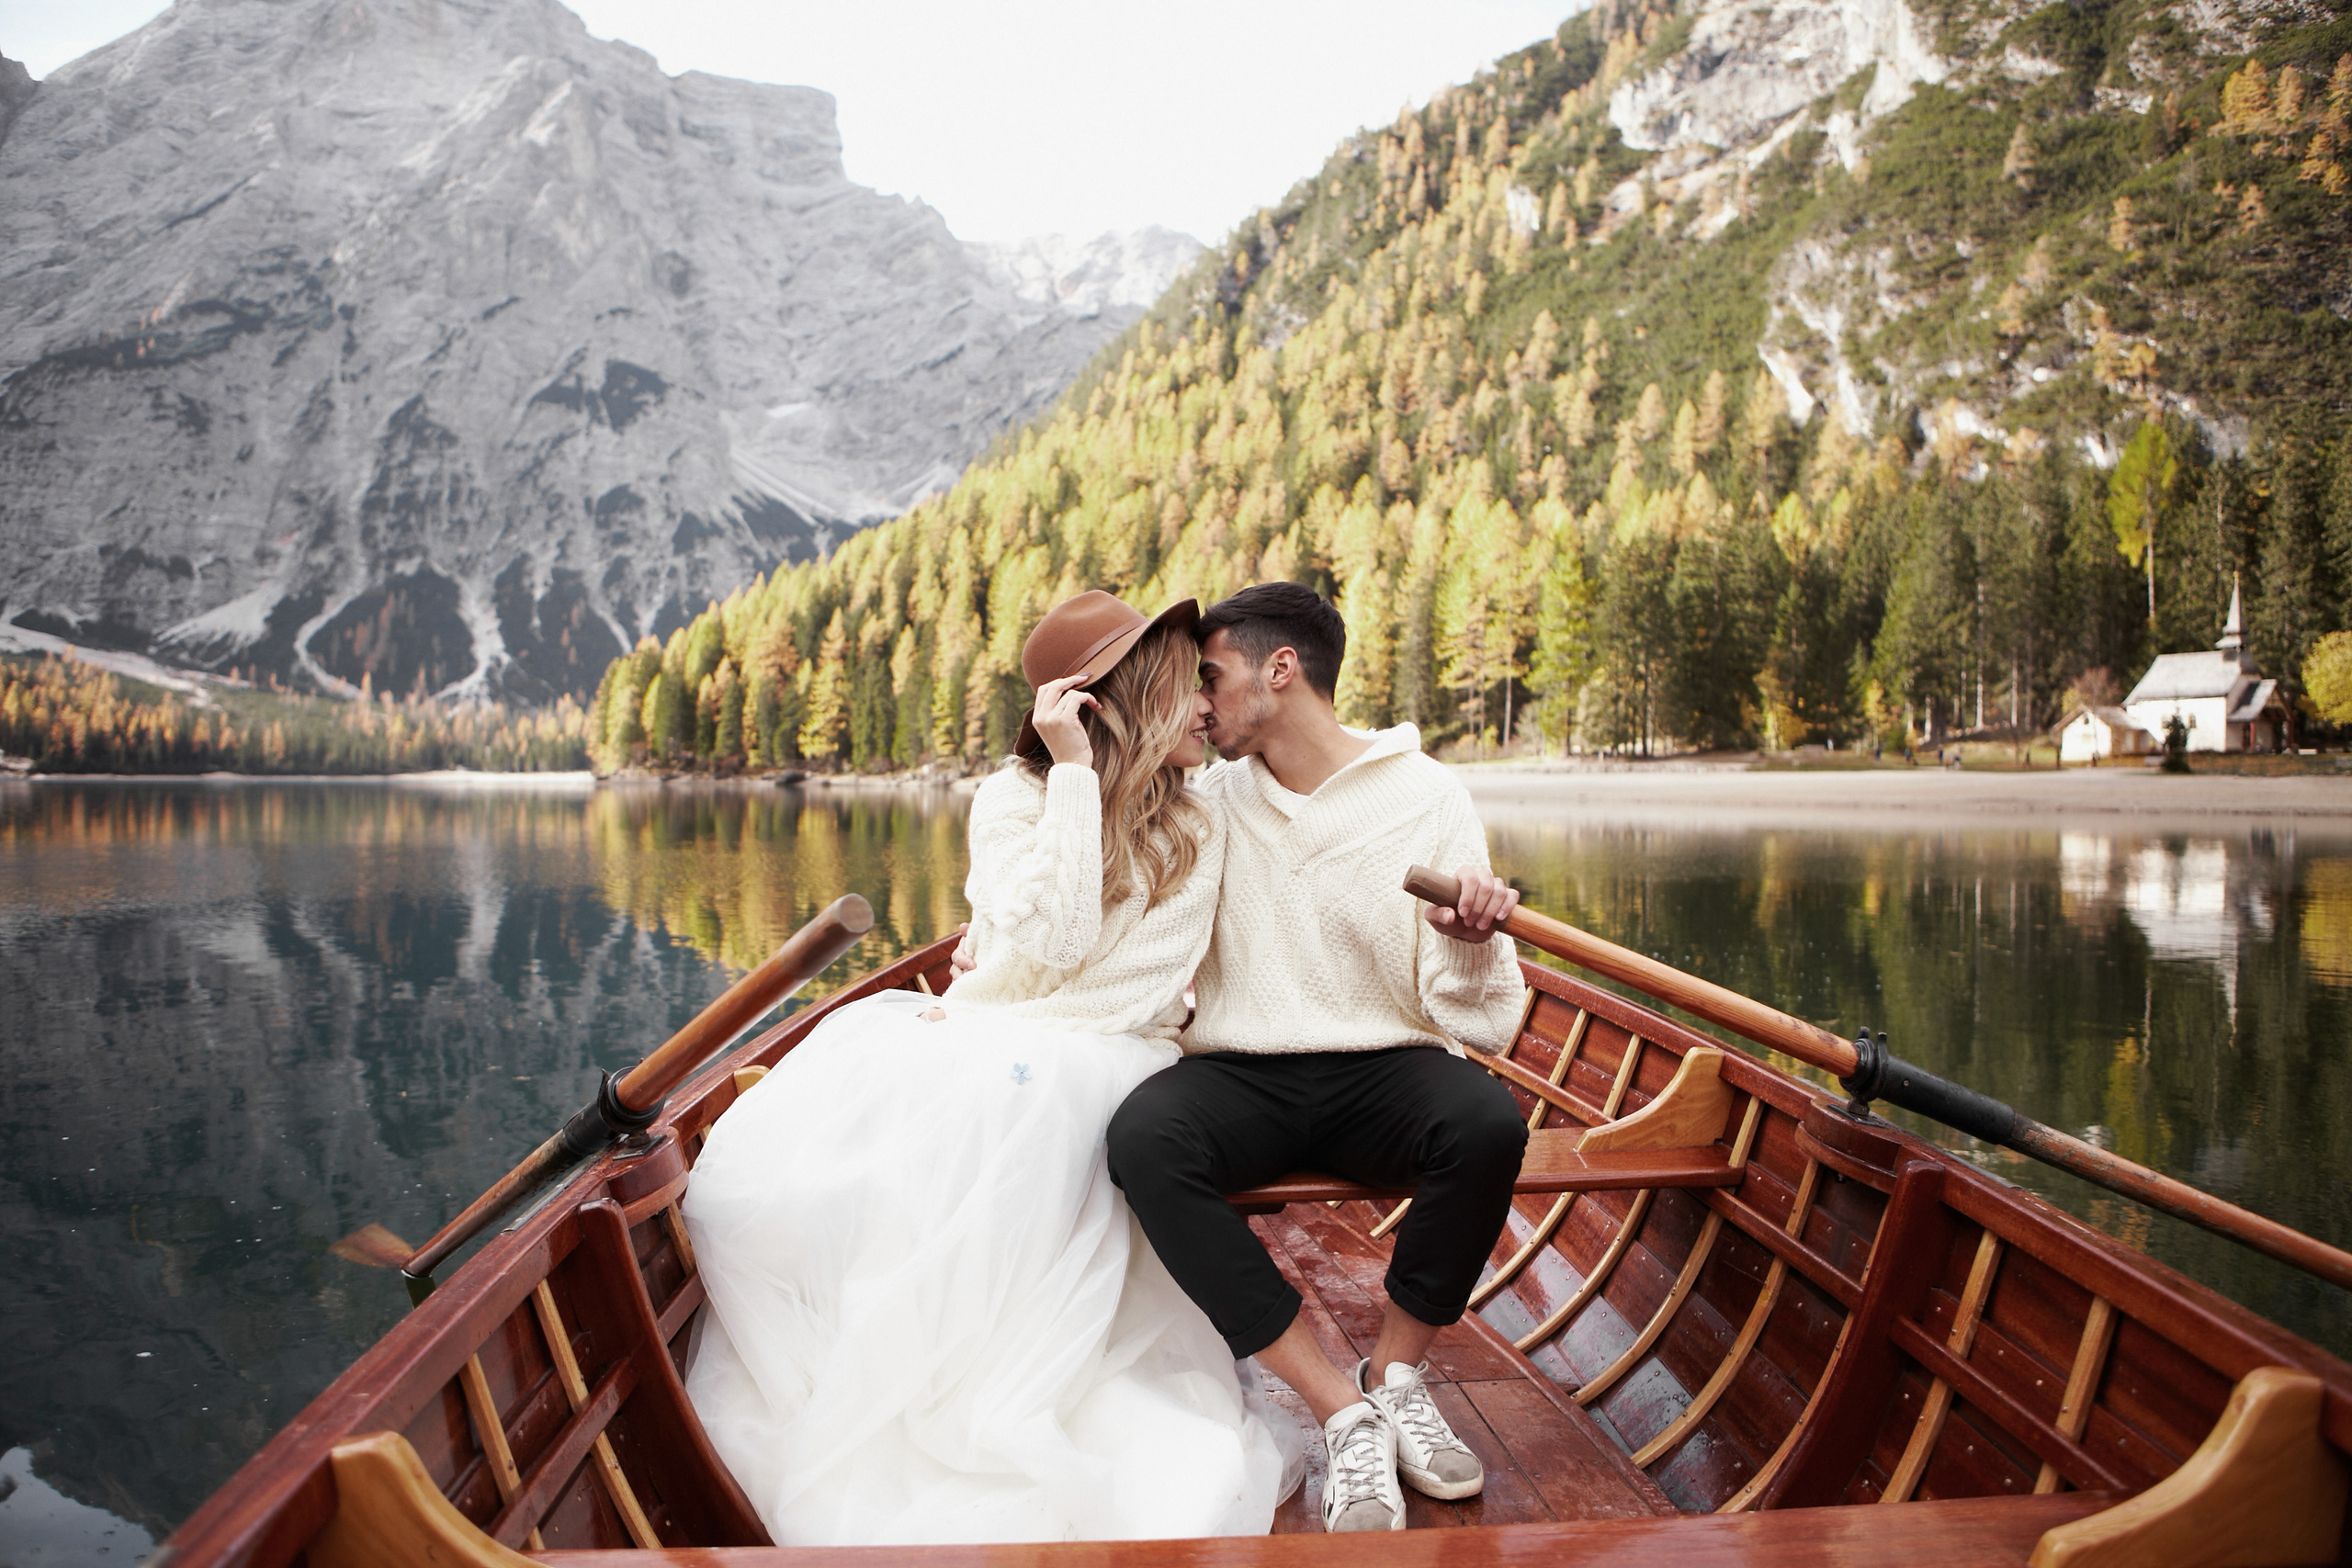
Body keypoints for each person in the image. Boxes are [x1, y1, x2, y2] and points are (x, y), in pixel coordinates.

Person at [682, 590, 1293, 1546]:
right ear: (1114, 703)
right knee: (838, 1163)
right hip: (996, 1033)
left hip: (1110, 1059)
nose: (1210, 710)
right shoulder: (1016, 798)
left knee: (1027, 1111)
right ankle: (908, 1369)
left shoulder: (1208, 812)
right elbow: (1056, 934)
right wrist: (1077, 776)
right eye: (1186, 689)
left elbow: (1325, 792)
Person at [1106, 581, 1530, 1534]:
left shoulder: (1426, 796)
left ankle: (1398, 1373)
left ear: (1280, 671)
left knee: (1485, 1122)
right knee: (1142, 1138)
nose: (1199, 705)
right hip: (1240, 1070)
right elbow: (1126, 924)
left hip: (1383, 1063)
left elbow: (1487, 1021)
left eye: (1210, 678)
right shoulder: (1204, 800)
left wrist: (1467, 936)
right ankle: (1342, 1409)